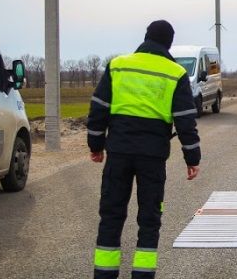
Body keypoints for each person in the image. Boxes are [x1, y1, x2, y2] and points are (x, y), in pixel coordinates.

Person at [87, 20, 202, 279]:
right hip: (153, 156)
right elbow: (185, 119)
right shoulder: (175, 73)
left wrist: (96, 145)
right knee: (149, 219)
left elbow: (98, 108)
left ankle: (104, 274)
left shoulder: (118, 65)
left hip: (118, 152)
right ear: (169, 43)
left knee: (111, 215)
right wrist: (192, 157)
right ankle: (142, 275)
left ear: (146, 37)